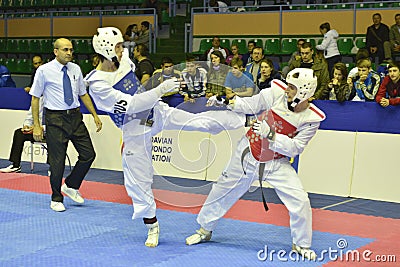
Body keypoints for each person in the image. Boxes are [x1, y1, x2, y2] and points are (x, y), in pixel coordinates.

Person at [84, 27, 246, 248]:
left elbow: (140, 89)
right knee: (137, 182)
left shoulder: (125, 63)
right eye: (119, 46)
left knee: (198, 123)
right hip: (134, 129)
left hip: (156, 112)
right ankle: (152, 225)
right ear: (106, 49)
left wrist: (162, 85)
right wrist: (161, 89)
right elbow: (132, 105)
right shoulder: (97, 84)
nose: (123, 50)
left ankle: (243, 121)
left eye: (122, 45)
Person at [186, 68, 326, 261]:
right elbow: (250, 104)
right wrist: (228, 102)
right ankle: (205, 230)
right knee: (222, 190)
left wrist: (271, 135)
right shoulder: (276, 92)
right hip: (248, 152)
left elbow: (295, 148)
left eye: (292, 88)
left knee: (300, 200)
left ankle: (301, 244)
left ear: (304, 92)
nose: (287, 90)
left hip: (277, 162)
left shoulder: (311, 119)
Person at [30, 38, 103, 212]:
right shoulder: (44, 71)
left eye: (71, 50)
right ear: (56, 52)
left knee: (88, 154)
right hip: (55, 119)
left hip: (75, 118)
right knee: (57, 162)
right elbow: (35, 98)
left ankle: (71, 185)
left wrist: (94, 115)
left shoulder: (76, 69)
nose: (69, 53)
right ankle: (56, 198)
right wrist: (37, 125)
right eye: (65, 50)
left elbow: (83, 94)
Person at [0, 98, 44, 173]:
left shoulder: (57, 101)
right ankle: (15, 165)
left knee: (55, 136)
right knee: (19, 133)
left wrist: (41, 128)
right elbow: (29, 118)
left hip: (51, 131)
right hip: (35, 130)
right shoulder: (38, 100)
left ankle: (53, 168)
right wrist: (26, 126)